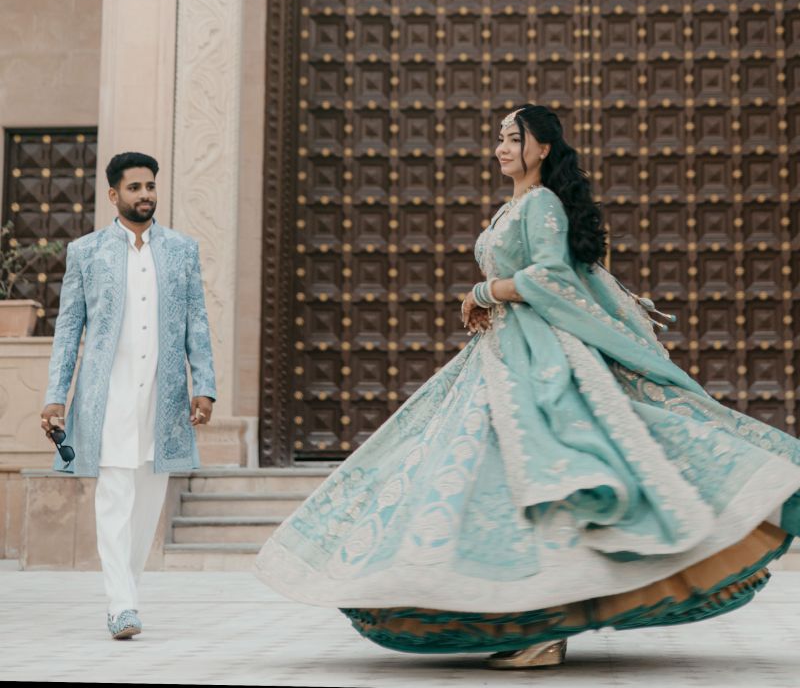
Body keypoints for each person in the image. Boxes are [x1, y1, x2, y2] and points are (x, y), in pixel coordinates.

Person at [255, 104, 800, 669]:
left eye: (514, 139)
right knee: (491, 476)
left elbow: (550, 275)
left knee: (539, 464)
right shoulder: (511, 206)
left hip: (533, 354)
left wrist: (484, 292)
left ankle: (543, 628)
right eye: (499, 138)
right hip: (500, 351)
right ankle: (531, 622)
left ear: (543, 149)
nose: (502, 148)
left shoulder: (541, 203)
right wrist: (488, 296)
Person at [41, 151, 216, 640]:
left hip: (163, 397)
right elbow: (68, 329)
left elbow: (197, 322)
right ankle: (121, 605)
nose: (145, 195)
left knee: (148, 503)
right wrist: (56, 395)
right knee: (115, 497)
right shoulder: (87, 252)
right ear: (113, 194)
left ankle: (126, 598)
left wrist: (204, 386)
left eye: (150, 186)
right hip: (108, 397)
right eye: (135, 187)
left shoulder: (181, 250)